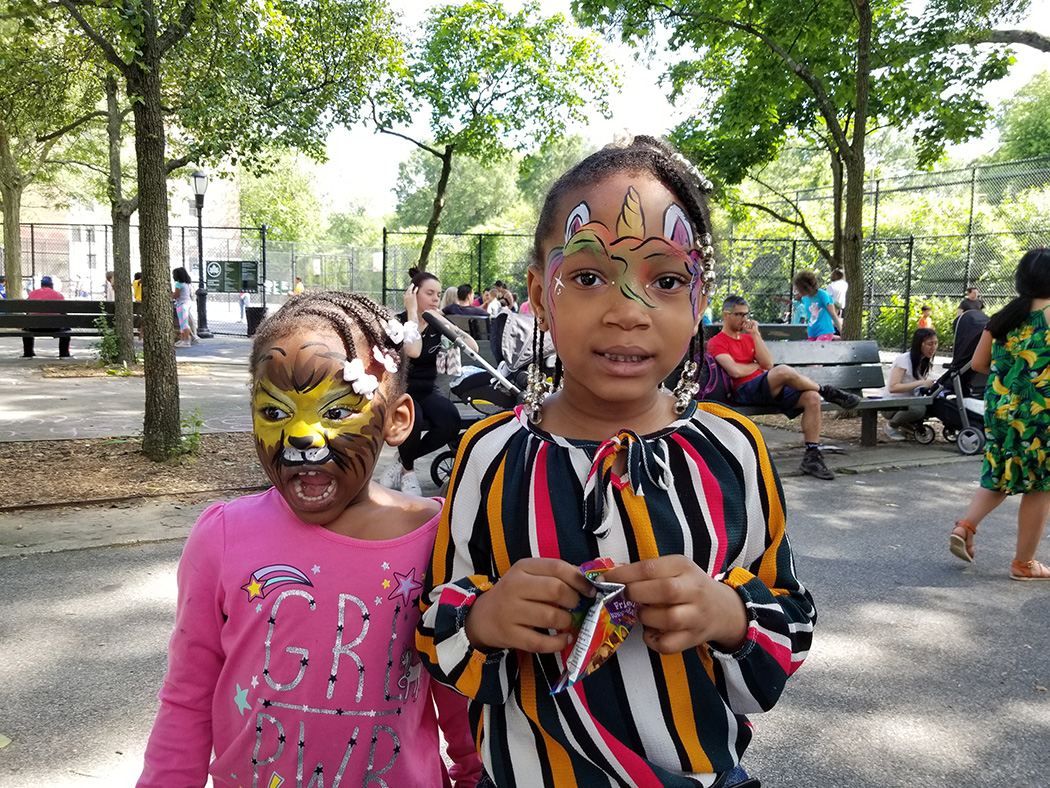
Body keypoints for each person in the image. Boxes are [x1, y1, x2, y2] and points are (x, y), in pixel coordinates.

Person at [417, 136, 816, 787]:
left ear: (700, 299)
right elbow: (437, 626)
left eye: (667, 280)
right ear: (539, 295)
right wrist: (484, 619)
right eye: (587, 277)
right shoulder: (487, 454)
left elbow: (791, 620)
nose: (628, 311)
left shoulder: (734, 449)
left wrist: (727, 614)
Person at [136, 291, 482, 788]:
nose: (302, 434)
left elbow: (460, 688)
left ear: (397, 420)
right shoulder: (223, 537)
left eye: (336, 412)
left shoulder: (438, 538)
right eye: (275, 413)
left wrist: (474, 775)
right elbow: (187, 699)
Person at [950, 249, 1050, 580]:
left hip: (1001, 408)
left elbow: (979, 364)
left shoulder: (1003, 317)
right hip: (1040, 411)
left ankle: (965, 526)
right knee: (1040, 485)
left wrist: (1012, 372)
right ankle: (1024, 563)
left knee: (1000, 470)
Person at [709, 294, 861, 480]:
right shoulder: (716, 342)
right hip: (743, 391)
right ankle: (826, 391)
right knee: (783, 371)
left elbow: (767, 364)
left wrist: (756, 335)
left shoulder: (749, 339)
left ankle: (812, 456)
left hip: (767, 387)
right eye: (740, 314)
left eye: (747, 314)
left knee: (812, 397)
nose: (745, 319)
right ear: (726, 315)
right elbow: (735, 371)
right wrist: (756, 366)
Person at [379, 268, 478, 497]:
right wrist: (412, 313)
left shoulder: (437, 323)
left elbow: (472, 348)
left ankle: (402, 461)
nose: (435, 299)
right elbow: (414, 351)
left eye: (438, 294)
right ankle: (409, 473)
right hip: (399, 392)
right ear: (413, 294)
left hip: (426, 390)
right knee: (414, 419)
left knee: (450, 421)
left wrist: (447, 324)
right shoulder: (397, 323)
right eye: (430, 293)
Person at [882, 328, 938, 440]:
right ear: (919, 344)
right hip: (890, 404)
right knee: (918, 409)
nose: (934, 347)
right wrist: (921, 383)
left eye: (936, 343)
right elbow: (893, 387)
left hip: (907, 402)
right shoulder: (904, 360)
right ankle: (891, 426)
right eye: (930, 344)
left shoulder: (923, 361)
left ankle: (907, 425)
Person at [22, 275, 73, 359]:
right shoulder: (59, 295)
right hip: (55, 327)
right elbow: (63, 313)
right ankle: (64, 353)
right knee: (67, 328)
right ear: (52, 285)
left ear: (41, 285)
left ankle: (28, 353)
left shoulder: (32, 293)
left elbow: (27, 311)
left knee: (26, 327)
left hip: (34, 327)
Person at [793, 270, 842, 340]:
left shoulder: (822, 295)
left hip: (824, 331)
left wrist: (841, 330)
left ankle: (832, 337)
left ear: (806, 287)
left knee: (818, 346)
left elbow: (833, 314)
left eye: (799, 288)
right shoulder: (804, 298)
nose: (797, 291)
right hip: (812, 332)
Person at [172, 267, 194, 347]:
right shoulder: (187, 284)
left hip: (182, 304)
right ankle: (183, 339)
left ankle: (186, 340)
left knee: (183, 323)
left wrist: (171, 295)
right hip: (187, 302)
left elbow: (176, 295)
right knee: (183, 322)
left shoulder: (178, 284)